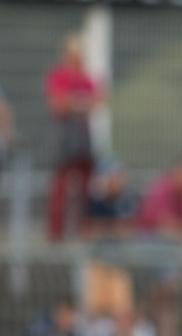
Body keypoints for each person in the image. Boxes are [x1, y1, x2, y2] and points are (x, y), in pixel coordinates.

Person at [45, 34, 102, 241]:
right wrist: (80, 104)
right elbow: (57, 105)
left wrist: (72, 103)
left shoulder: (86, 78)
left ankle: (82, 228)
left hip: (83, 134)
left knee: (86, 183)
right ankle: (56, 232)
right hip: (65, 135)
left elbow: (97, 101)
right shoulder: (58, 76)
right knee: (61, 183)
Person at [134, 153, 182, 240]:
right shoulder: (162, 191)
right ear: (177, 172)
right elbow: (166, 230)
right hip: (148, 242)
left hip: (179, 243)